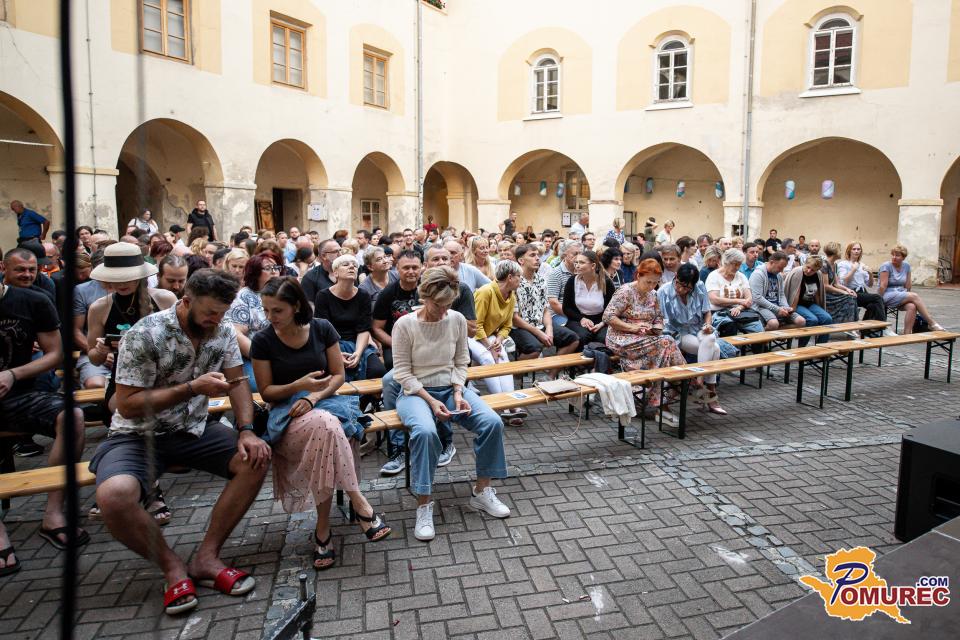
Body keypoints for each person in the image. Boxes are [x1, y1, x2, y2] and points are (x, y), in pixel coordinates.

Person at [90, 269, 270, 615]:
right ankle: (172, 567)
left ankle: (206, 559)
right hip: (136, 434)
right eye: (210, 313)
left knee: (255, 458)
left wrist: (247, 430)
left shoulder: (222, 331)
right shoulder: (145, 333)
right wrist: (192, 388)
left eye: (222, 313)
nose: (216, 320)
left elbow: (238, 383)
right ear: (186, 301)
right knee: (113, 497)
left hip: (193, 428)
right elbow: (127, 404)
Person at [251, 277, 390, 569]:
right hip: (286, 414)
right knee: (327, 427)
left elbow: (338, 376)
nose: (270, 317)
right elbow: (266, 393)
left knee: (325, 428)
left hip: (325, 403)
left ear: (296, 306)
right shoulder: (263, 340)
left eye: (277, 310)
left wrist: (313, 397)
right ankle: (359, 503)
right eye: (266, 310)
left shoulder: (321, 328)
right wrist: (298, 385)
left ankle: (323, 531)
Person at [392, 266, 510, 541]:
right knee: (425, 432)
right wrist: (432, 401)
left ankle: (482, 491)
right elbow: (403, 373)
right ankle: (424, 505)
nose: (443, 311)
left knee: (492, 422)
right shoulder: (405, 325)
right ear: (424, 297)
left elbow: (461, 361)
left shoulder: (456, 319)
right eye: (438, 305)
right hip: (415, 393)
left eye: (448, 304)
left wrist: (458, 391)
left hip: (451, 387)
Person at [86, 242, 178, 413]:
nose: (122, 283)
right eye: (116, 277)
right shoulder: (99, 307)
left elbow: (182, 341)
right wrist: (101, 350)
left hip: (164, 373)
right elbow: (93, 358)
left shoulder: (165, 299)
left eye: (128, 276)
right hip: (123, 378)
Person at [603, 258, 692, 422]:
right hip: (621, 337)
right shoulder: (626, 291)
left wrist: (655, 329)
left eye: (655, 282)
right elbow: (608, 317)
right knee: (667, 342)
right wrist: (633, 328)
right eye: (648, 282)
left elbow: (658, 318)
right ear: (638, 276)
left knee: (664, 348)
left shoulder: (654, 294)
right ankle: (687, 381)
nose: (651, 286)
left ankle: (662, 400)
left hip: (645, 338)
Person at [658, 263, 727, 414]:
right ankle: (711, 392)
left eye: (687, 287)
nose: (681, 289)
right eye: (679, 283)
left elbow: (707, 312)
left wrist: (708, 325)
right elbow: (662, 322)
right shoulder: (664, 292)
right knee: (714, 348)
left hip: (698, 328)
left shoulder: (699, 287)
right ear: (676, 277)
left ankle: (699, 380)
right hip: (678, 333)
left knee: (710, 339)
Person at [470, 260, 527, 426]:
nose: (521, 280)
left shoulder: (511, 295)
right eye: (519, 276)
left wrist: (499, 340)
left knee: (502, 356)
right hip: (470, 335)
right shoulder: (485, 292)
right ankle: (503, 407)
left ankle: (512, 403)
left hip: (489, 335)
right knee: (488, 358)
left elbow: (507, 326)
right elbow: (475, 325)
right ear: (510, 277)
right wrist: (490, 347)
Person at [510, 244, 580, 375]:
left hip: (540, 323)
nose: (537, 258)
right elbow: (514, 318)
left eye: (538, 255)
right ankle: (513, 374)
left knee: (573, 339)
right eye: (532, 255)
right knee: (534, 348)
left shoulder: (541, 280)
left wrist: (549, 329)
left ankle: (550, 376)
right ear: (521, 260)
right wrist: (539, 333)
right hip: (520, 326)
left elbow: (545, 309)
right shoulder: (514, 281)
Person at [314, 255, 385, 382]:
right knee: (332, 375)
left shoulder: (363, 295)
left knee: (377, 371)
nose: (352, 266)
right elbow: (323, 332)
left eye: (355, 265)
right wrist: (337, 355)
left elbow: (363, 329)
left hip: (358, 343)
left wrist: (358, 353)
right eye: (346, 264)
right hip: (331, 344)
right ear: (335, 273)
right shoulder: (323, 296)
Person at [225, 252, 283, 391]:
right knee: (258, 386)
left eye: (276, 267)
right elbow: (237, 334)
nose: (274, 271)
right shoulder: (244, 296)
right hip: (253, 354)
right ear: (255, 273)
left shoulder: (285, 292)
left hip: (286, 351)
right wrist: (263, 356)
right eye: (268, 268)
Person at [372, 250, 423, 369]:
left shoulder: (429, 289)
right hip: (396, 341)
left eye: (415, 267)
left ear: (421, 268)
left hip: (426, 339)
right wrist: (396, 344)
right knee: (393, 364)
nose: (411, 271)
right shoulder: (387, 294)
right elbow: (377, 328)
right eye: (406, 268)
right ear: (397, 269)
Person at [878, 244, 944, 333]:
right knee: (914, 296)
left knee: (912, 306)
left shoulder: (906, 266)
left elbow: (908, 285)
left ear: (903, 257)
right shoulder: (886, 266)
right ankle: (931, 323)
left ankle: (907, 333)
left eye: (897, 255)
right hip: (886, 295)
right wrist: (879, 301)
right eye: (893, 254)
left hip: (900, 294)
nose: (894, 257)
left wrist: (907, 297)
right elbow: (882, 286)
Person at [706, 248, 763, 336]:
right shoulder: (713, 276)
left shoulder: (741, 276)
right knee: (729, 326)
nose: (737, 268)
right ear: (726, 262)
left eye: (739, 265)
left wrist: (739, 307)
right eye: (735, 264)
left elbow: (749, 298)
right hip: (719, 312)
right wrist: (738, 301)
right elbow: (714, 299)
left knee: (758, 329)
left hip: (740, 311)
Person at [563, 250, 614, 345]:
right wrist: (582, 319)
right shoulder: (572, 281)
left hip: (602, 320)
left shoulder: (606, 282)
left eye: (582, 262)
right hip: (578, 319)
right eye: (576, 262)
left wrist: (602, 323)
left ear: (593, 266)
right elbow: (566, 308)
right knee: (582, 336)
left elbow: (612, 309)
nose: (577, 265)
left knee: (602, 338)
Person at [838, 242, 889, 330]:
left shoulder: (862, 265)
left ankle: (864, 329)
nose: (856, 251)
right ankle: (883, 327)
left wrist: (870, 274)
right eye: (854, 249)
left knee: (872, 306)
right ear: (849, 251)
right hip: (850, 293)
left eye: (858, 249)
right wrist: (853, 270)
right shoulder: (843, 264)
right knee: (878, 298)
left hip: (862, 291)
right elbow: (844, 282)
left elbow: (870, 284)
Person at [749, 251, 805, 331]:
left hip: (778, 306)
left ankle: (778, 333)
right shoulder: (758, 274)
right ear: (772, 262)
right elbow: (757, 298)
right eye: (780, 267)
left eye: (783, 268)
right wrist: (777, 309)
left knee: (801, 321)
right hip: (762, 307)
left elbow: (781, 294)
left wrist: (786, 307)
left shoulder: (778, 276)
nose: (781, 270)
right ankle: (762, 336)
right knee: (773, 324)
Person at [783, 255, 833, 343]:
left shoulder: (818, 274)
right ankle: (802, 347)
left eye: (813, 270)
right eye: (808, 267)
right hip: (797, 304)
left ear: (817, 270)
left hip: (809, 303)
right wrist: (792, 310)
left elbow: (817, 293)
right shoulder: (798, 272)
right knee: (812, 320)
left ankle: (822, 346)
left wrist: (820, 308)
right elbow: (795, 293)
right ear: (805, 264)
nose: (809, 271)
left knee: (827, 318)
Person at [822, 242, 859, 326]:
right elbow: (826, 286)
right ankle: (848, 325)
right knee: (849, 298)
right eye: (840, 250)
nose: (841, 252)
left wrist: (848, 289)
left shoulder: (834, 265)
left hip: (831, 293)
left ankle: (851, 324)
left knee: (851, 296)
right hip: (825, 295)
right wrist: (843, 292)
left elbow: (836, 283)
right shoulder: (824, 265)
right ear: (835, 252)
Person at [547, 240, 581, 331]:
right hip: (560, 314)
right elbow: (553, 302)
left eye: (580, 253)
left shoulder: (582, 272)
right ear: (564, 255)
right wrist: (575, 316)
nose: (579, 257)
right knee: (575, 332)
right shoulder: (556, 273)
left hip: (579, 313)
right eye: (575, 254)